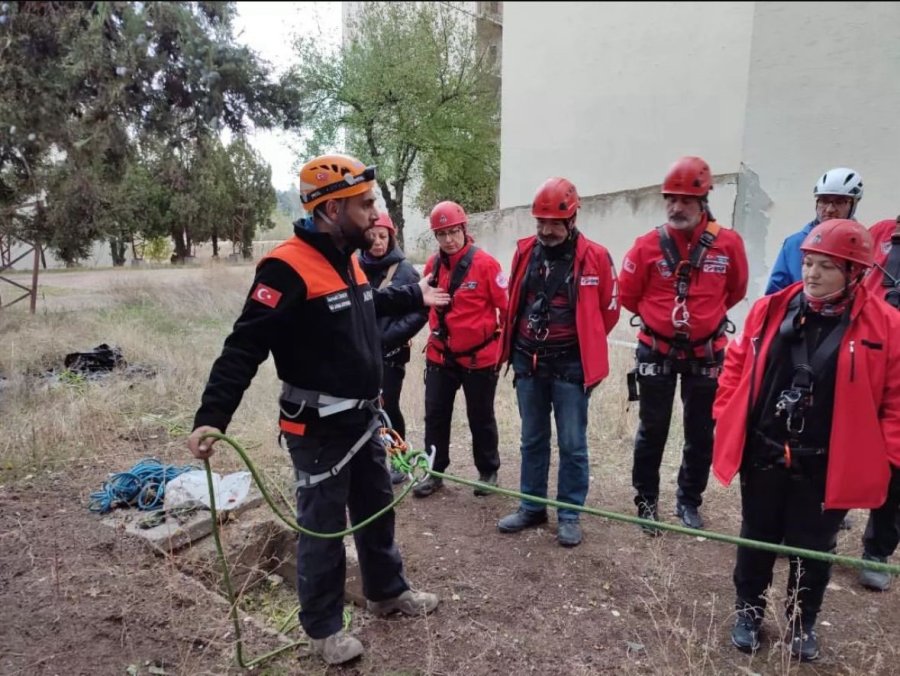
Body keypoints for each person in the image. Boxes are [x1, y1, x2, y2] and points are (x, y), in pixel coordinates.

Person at [187, 154, 447, 666]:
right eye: (365, 204)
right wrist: (212, 417)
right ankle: (323, 629)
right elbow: (244, 347)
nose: (376, 214)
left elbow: (364, 303)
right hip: (318, 429)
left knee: (375, 511)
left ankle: (386, 592)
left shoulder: (344, 256)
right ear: (331, 209)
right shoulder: (285, 268)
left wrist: (412, 293)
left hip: (361, 420)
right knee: (322, 528)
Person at [712, 219, 900, 661]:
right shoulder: (771, 309)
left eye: (826, 266)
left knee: (813, 549)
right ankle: (748, 613)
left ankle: (802, 623)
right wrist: (726, 413)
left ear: (854, 273)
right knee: (756, 537)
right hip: (765, 450)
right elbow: (736, 365)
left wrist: (885, 458)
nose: (812, 274)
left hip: (828, 460)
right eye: (808, 263)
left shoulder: (887, 326)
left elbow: (896, 399)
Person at [619, 156, 748, 533]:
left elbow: (736, 289)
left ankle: (689, 501)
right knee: (652, 429)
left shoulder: (729, 244)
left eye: (685, 200)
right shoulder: (647, 246)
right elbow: (628, 294)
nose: (676, 207)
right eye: (670, 199)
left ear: (704, 200)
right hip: (656, 350)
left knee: (700, 432)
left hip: (706, 353)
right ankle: (646, 503)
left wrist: (704, 321)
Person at [495, 177, 620, 547]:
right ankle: (532, 506)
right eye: (540, 223)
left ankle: (569, 514)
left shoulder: (595, 256)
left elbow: (607, 311)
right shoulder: (524, 253)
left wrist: (584, 343)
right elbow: (514, 299)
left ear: (571, 220)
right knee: (532, 439)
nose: (546, 230)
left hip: (570, 364)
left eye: (553, 223)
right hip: (529, 362)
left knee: (572, 443)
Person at [413, 200, 509, 498]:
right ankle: (434, 471)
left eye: (453, 232)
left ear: (464, 230)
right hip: (440, 355)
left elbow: (506, 309)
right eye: (442, 234)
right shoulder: (433, 266)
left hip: (478, 358)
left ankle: (488, 470)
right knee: (435, 415)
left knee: (480, 415)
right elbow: (423, 303)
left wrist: (501, 351)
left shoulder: (486, 265)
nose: (449, 240)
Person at [357, 211, 428, 484]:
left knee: (388, 406)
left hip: (391, 354)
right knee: (363, 408)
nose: (377, 242)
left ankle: (399, 459)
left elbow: (420, 311)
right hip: (360, 354)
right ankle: (369, 460)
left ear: (391, 237)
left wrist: (389, 337)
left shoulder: (405, 271)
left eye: (383, 236)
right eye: (372, 236)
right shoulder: (355, 267)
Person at [853, 214, 900, 591]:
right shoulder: (884, 232)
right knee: (836, 439)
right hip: (871, 350)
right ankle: (819, 530)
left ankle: (877, 551)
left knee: (896, 461)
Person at [765, 167, 864, 294]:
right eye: (823, 201)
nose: (829, 209)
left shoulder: (863, 245)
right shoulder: (795, 243)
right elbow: (775, 295)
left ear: (853, 205)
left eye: (839, 202)